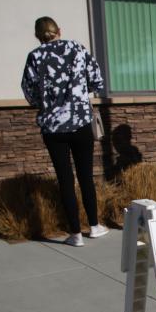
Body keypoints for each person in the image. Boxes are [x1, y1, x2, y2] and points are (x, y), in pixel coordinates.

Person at [21, 16, 107, 247]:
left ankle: (75, 234)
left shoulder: (35, 56)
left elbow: (29, 93)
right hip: (80, 122)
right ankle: (95, 226)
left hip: (53, 127)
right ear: (59, 30)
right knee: (86, 176)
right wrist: (79, 94)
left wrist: (48, 102)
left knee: (65, 179)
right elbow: (97, 80)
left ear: (38, 36)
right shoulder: (78, 49)